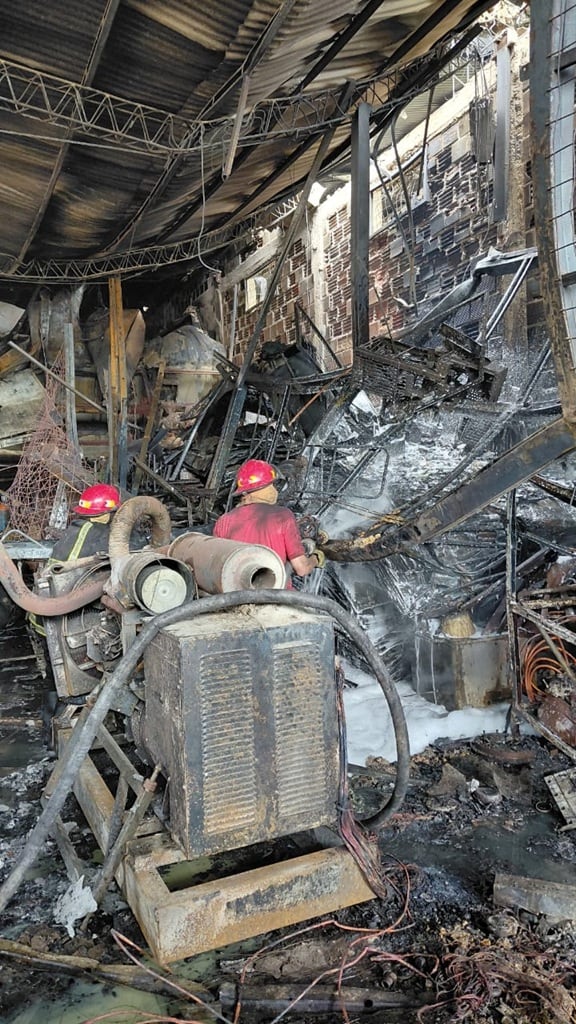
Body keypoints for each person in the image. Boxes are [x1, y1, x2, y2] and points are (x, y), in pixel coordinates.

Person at [28, 483, 122, 643]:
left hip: (41, 618)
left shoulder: (75, 529)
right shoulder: (101, 534)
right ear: (107, 513)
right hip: (62, 624)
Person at [213, 459, 325, 585]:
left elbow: (217, 569)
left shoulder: (223, 521)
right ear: (265, 488)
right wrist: (316, 558)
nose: (274, 490)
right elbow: (302, 568)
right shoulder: (283, 516)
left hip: (234, 597)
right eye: (272, 485)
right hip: (276, 597)